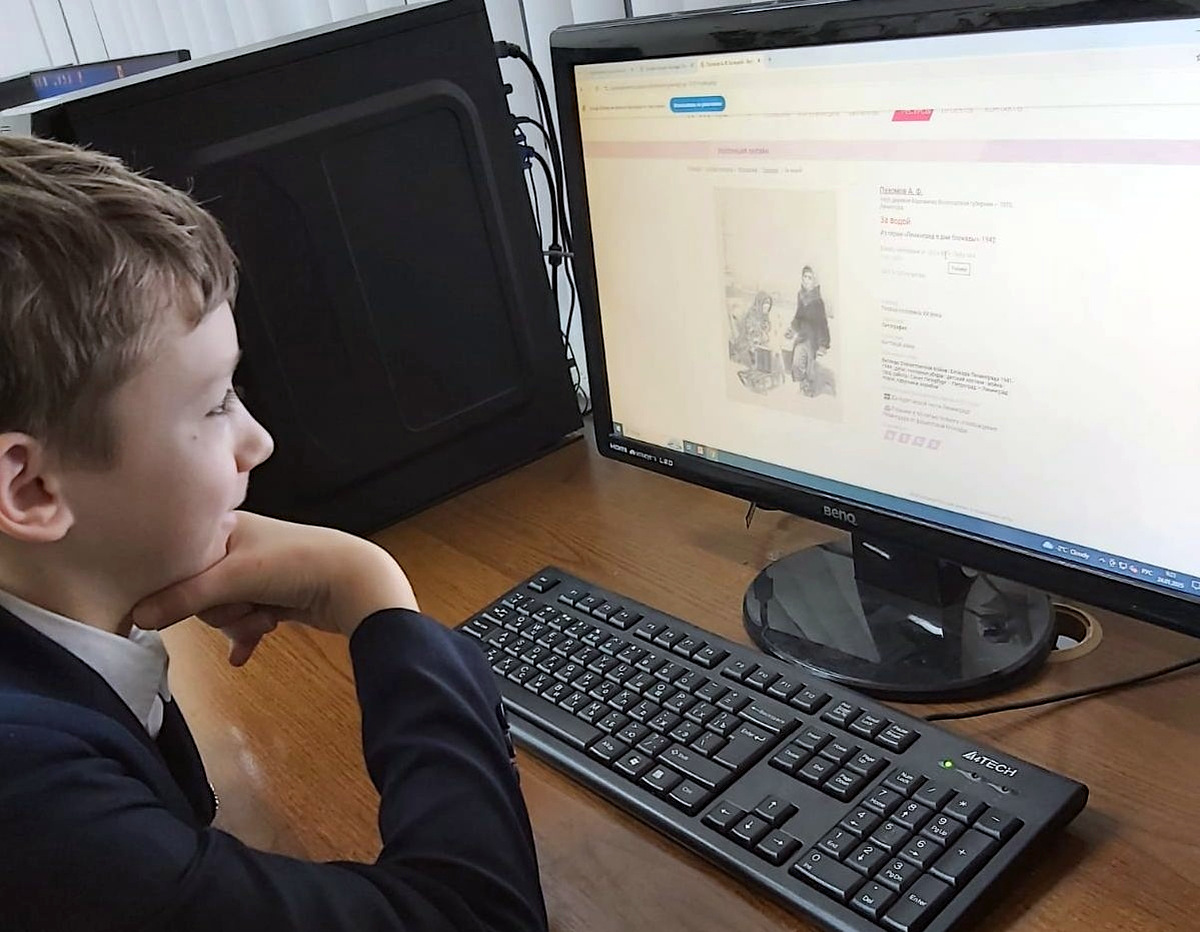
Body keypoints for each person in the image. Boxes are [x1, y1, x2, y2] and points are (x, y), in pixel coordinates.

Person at [0, 135, 547, 932]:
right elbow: (475, 917)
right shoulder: (32, 794)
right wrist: (372, 595)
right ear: (30, 488)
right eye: (216, 402)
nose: (257, 441)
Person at [785, 266, 831, 395]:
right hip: (802, 336)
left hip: (813, 338)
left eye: (809, 278)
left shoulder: (817, 302)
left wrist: (823, 344)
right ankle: (802, 385)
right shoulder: (801, 296)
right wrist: (792, 329)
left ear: (814, 281)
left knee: (810, 366)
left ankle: (809, 388)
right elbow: (798, 316)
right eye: (804, 276)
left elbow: (822, 324)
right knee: (797, 361)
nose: (806, 280)